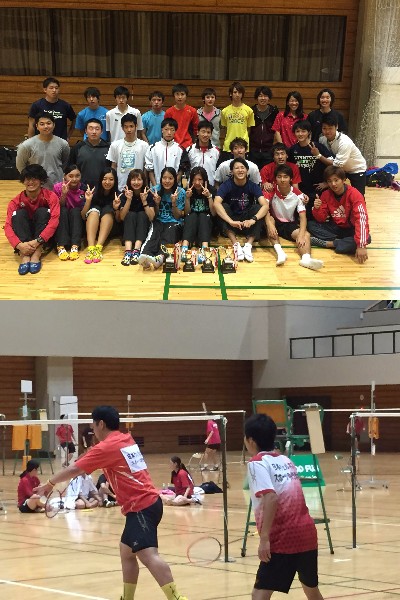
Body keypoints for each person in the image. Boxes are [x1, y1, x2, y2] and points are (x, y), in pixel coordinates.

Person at [34, 405, 189, 600]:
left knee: (148, 555)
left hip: (141, 506)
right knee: (127, 552)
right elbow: (90, 459)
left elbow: (75, 469)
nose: (93, 430)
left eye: (93, 426)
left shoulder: (107, 447)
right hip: (148, 503)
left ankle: (177, 598)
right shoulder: (125, 439)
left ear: (101, 424)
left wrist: (49, 483)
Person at [244, 413, 324, 600]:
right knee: (312, 591)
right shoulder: (285, 460)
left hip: (283, 538)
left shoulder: (257, 463)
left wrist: (264, 539)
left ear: (251, 440)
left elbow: (271, 498)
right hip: (307, 534)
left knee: (259, 595)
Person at [264, 164, 324, 271]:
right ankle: (280, 253)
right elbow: (265, 210)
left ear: (291, 179)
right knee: (269, 220)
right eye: (279, 177)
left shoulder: (299, 195)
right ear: (275, 178)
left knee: (305, 234)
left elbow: (303, 217)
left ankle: (306, 259)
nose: (282, 180)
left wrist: (301, 235)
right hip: (274, 221)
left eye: (285, 177)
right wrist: (269, 224)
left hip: (289, 224)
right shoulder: (270, 191)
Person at [4, 164, 60, 275]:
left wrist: (38, 242)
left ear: (41, 180)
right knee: (18, 214)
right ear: (23, 181)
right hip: (24, 237)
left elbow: (55, 220)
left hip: (42, 238)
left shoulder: (51, 196)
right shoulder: (15, 201)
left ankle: (37, 253)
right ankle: (24, 254)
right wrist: (19, 245)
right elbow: (7, 226)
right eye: (28, 179)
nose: (31, 182)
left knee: (43, 211)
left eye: (34, 179)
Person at [308, 165, 371, 264]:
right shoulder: (326, 194)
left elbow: (361, 219)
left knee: (367, 238)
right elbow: (321, 219)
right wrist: (317, 208)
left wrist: (361, 245)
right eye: (329, 181)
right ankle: (344, 243)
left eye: (336, 180)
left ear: (343, 180)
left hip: (350, 229)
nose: (333, 184)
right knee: (311, 225)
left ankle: (329, 244)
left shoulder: (355, 194)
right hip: (335, 228)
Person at [214, 157, 269, 263]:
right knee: (222, 206)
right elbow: (216, 203)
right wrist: (230, 221)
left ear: (247, 170)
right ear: (231, 171)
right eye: (236, 168)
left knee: (258, 208)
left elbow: (265, 205)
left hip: (247, 221)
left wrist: (253, 219)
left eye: (242, 168)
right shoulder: (226, 185)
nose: (240, 170)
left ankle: (248, 245)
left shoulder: (253, 186)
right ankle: (236, 245)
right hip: (232, 221)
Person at [138, 167, 186, 270]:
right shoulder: (155, 190)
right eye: (164, 178)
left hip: (174, 222)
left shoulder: (180, 192)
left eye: (170, 178)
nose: (167, 181)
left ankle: (160, 258)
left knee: (169, 234)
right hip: (159, 220)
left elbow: (178, 216)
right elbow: (154, 215)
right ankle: (145, 256)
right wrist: (157, 204)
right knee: (154, 234)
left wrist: (174, 203)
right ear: (161, 178)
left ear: (175, 179)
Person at [287, 120, 333, 219]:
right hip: (301, 189)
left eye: (303, 131)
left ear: (309, 132)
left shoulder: (317, 147)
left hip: (317, 189)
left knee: (317, 216)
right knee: (302, 216)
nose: (300, 134)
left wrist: (327, 183)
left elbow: (333, 164)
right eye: (297, 131)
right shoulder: (292, 150)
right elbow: (289, 170)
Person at [17, 113, 70, 189]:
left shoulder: (63, 144)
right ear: (37, 126)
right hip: (36, 187)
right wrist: (31, 180)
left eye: (48, 123)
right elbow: (21, 166)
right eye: (42, 124)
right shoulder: (27, 145)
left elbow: (64, 163)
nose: (46, 126)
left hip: (57, 186)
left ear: (54, 125)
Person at [81, 167, 121, 264]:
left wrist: (116, 208)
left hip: (109, 229)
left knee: (108, 210)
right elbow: (83, 216)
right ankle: (91, 248)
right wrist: (88, 201)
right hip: (92, 228)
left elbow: (119, 220)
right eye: (104, 179)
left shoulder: (118, 195)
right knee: (94, 211)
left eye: (111, 179)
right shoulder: (92, 193)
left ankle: (98, 248)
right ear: (100, 180)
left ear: (115, 181)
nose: (107, 182)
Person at [319, 114, 367, 196]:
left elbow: (337, 165)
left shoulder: (344, 142)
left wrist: (318, 156)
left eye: (330, 128)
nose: (327, 131)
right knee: (337, 193)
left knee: (358, 195)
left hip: (356, 169)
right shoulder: (322, 140)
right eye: (324, 128)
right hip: (341, 169)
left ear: (336, 127)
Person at [117, 169, 156, 266]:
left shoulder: (148, 193)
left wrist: (144, 201)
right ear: (129, 181)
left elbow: (151, 217)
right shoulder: (125, 194)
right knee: (130, 214)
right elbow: (122, 217)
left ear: (143, 181)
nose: (136, 182)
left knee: (142, 214)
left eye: (139, 179)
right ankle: (128, 251)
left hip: (143, 226)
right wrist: (128, 200)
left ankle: (136, 250)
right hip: (129, 226)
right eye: (133, 179)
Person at [180, 166, 216, 263]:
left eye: (200, 179)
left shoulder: (211, 190)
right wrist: (187, 198)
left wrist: (209, 197)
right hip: (191, 223)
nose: (197, 182)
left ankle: (204, 250)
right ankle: (184, 248)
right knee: (191, 216)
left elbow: (213, 213)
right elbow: (187, 212)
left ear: (205, 180)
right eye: (194, 180)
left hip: (206, 223)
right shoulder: (188, 190)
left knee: (203, 216)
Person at [107, 114, 149, 191]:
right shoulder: (115, 145)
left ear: (136, 126)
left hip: (138, 186)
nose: (129, 130)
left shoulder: (144, 145)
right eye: (126, 127)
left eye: (131, 126)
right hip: (120, 186)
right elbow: (113, 166)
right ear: (122, 128)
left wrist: (145, 184)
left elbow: (145, 167)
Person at [53, 164, 86, 261]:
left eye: (77, 176)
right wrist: (64, 194)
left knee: (75, 210)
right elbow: (58, 207)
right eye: (71, 176)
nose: (74, 179)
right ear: (65, 176)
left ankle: (75, 246)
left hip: (77, 218)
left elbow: (83, 212)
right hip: (63, 218)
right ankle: (61, 245)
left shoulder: (84, 188)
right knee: (62, 210)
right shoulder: (57, 187)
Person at [27, 77, 76, 141]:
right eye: (51, 88)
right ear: (45, 90)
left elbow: (74, 120)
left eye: (56, 88)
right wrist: (31, 141)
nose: (54, 90)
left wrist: (68, 136)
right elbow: (31, 125)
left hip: (60, 142)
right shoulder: (37, 105)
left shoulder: (65, 105)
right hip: (41, 141)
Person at [145, 118, 190, 186]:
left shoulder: (180, 149)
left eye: (172, 130)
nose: (169, 132)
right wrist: (155, 187)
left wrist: (173, 186)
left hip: (175, 189)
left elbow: (181, 170)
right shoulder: (152, 148)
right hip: (156, 187)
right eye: (166, 129)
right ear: (162, 130)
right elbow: (150, 170)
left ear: (175, 131)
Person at [68, 118, 111, 189]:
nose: (94, 132)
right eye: (91, 128)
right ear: (86, 131)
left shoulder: (109, 148)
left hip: (104, 188)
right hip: (82, 189)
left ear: (102, 131)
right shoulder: (78, 147)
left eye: (97, 129)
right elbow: (71, 169)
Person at [220, 82, 255, 156]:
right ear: (231, 94)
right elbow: (225, 128)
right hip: (228, 146)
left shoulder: (249, 110)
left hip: (243, 146)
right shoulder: (224, 111)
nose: (237, 95)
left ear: (242, 94)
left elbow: (249, 129)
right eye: (235, 92)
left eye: (239, 92)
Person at [249, 86, 279, 169]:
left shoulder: (274, 111)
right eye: (260, 96)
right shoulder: (251, 111)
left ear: (269, 98)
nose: (263, 98)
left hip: (269, 150)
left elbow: (276, 130)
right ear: (256, 97)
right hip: (253, 150)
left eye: (265, 96)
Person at [164, 83, 199, 149]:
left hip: (188, 145)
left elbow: (196, 129)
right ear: (174, 96)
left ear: (186, 96)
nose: (180, 97)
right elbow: (166, 129)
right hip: (173, 145)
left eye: (182, 94)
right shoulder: (169, 112)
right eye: (177, 94)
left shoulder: (192, 111)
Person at [187, 120, 220, 185]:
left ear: (211, 134)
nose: (205, 135)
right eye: (203, 131)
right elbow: (186, 170)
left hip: (210, 186)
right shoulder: (189, 150)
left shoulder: (216, 151)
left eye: (208, 132)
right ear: (197, 132)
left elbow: (218, 173)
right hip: (193, 186)